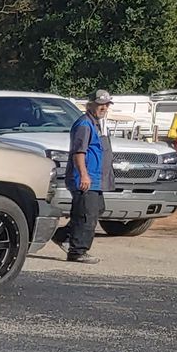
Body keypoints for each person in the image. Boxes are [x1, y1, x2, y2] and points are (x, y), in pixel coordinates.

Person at [57, 89, 114, 263]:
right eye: (99, 104)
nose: (103, 107)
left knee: (96, 210)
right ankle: (77, 251)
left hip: (97, 179)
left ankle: (62, 236)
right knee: (86, 216)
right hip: (86, 178)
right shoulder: (84, 124)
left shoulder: (98, 124)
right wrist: (84, 175)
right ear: (90, 105)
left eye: (106, 104)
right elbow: (79, 152)